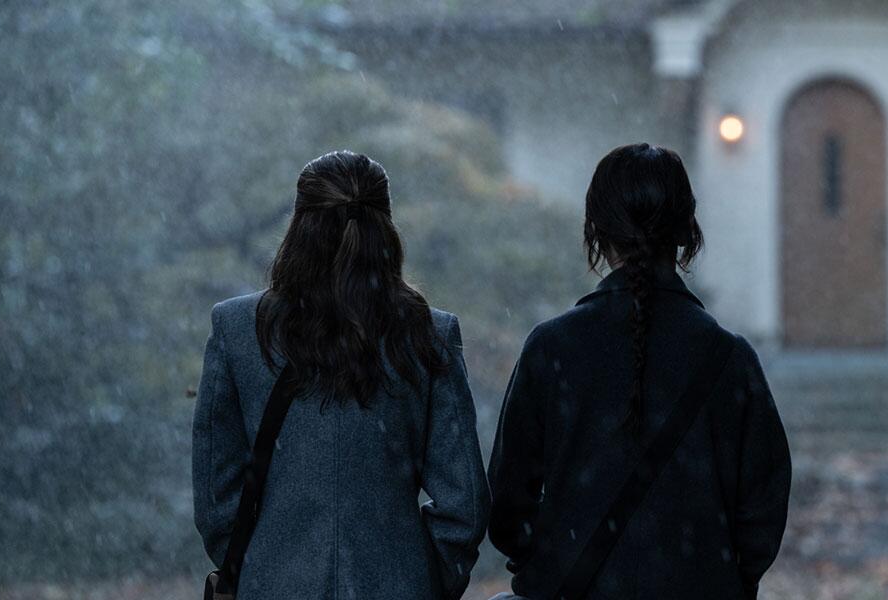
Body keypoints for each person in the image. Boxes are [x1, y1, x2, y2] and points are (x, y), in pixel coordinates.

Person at [487, 143, 791, 599]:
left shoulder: (552, 348)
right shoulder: (729, 358)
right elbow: (763, 508)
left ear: (596, 231)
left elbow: (507, 505)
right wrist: (720, 577)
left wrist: (552, 562)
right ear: (688, 232)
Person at [192, 151, 489, 599]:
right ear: (386, 230)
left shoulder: (237, 330)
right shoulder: (429, 333)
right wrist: (418, 576)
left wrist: (257, 564)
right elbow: (463, 502)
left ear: (298, 226)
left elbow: (217, 494)